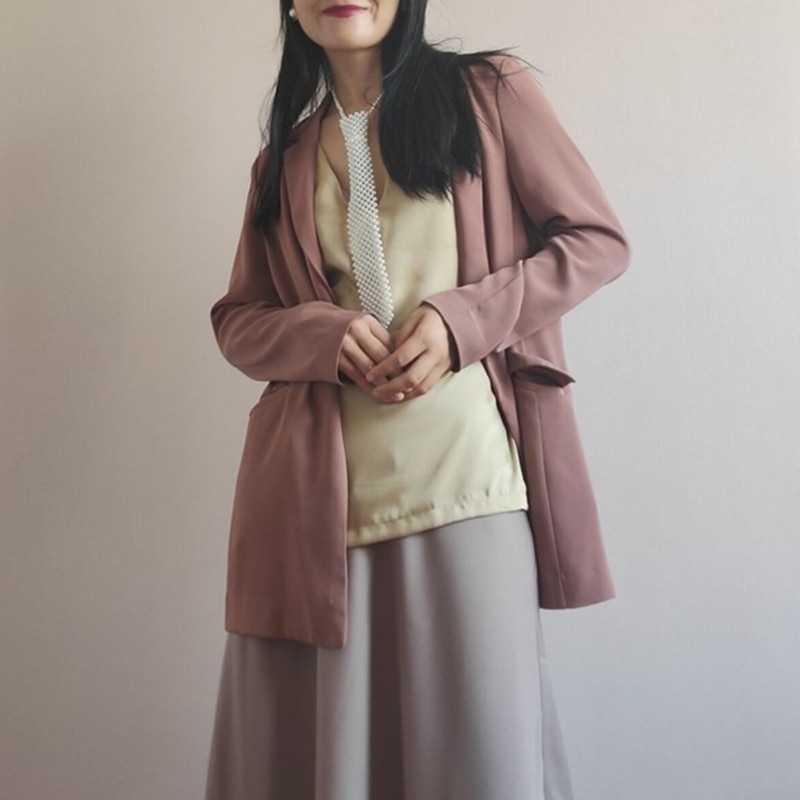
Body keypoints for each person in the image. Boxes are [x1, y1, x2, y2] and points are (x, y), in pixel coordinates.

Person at [204, 0, 630, 798]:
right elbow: (238, 321)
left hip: (467, 484)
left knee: (479, 758)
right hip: (316, 511)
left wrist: (462, 320)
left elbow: (595, 241)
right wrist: (322, 336)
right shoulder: (282, 161)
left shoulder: (488, 94)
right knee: (329, 761)